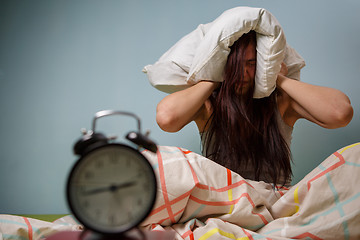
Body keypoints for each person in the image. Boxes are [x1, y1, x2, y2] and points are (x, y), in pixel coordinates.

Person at [155, 30, 353, 187]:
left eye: (252, 64)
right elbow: (166, 118)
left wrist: (278, 77)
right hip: (225, 201)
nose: (243, 73)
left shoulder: (282, 103)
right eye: (235, 65)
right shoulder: (210, 106)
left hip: (274, 202)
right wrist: (214, 77)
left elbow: (340, 113)